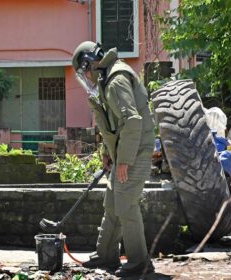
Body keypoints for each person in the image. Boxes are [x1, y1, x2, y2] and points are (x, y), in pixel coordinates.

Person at [72, 41, 155, 277]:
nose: (86, 76)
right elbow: (113, 123)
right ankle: (106, 255)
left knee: (126, 205)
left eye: (84, 69)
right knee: (112, 204)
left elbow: (132, 121)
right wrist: (108, 155)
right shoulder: (108, 78)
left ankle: (139, 263)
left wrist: (125, 161)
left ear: (90, 62)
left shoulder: (116, 80)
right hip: (126, 150)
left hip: (136, 151)